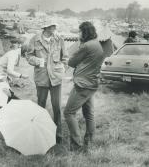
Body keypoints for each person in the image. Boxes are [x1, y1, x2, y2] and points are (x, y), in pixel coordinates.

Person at [64, 21, 105, 152]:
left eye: (80, 32)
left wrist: (80, 43)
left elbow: (72, 62)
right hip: (92, 83)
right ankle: (90, 142)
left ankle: (76, 146)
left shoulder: (86, 45)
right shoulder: (97, 44)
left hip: (83, 85)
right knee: (89, 114)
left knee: (69, 113)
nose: (79, 34)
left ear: (85, 32)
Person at [26, 19, 68, 144]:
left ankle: (58, 134)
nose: (54, 27)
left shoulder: (59, 39)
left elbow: (65, 57)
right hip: (42, 78)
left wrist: (62, 70)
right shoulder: (35, 39)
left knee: (57, 107)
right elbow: (28, 56)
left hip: (56, 78)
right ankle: (40, 132)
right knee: (41, 106)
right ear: (46, 27)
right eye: (52, 25)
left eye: (55, 25)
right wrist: (37, 61)